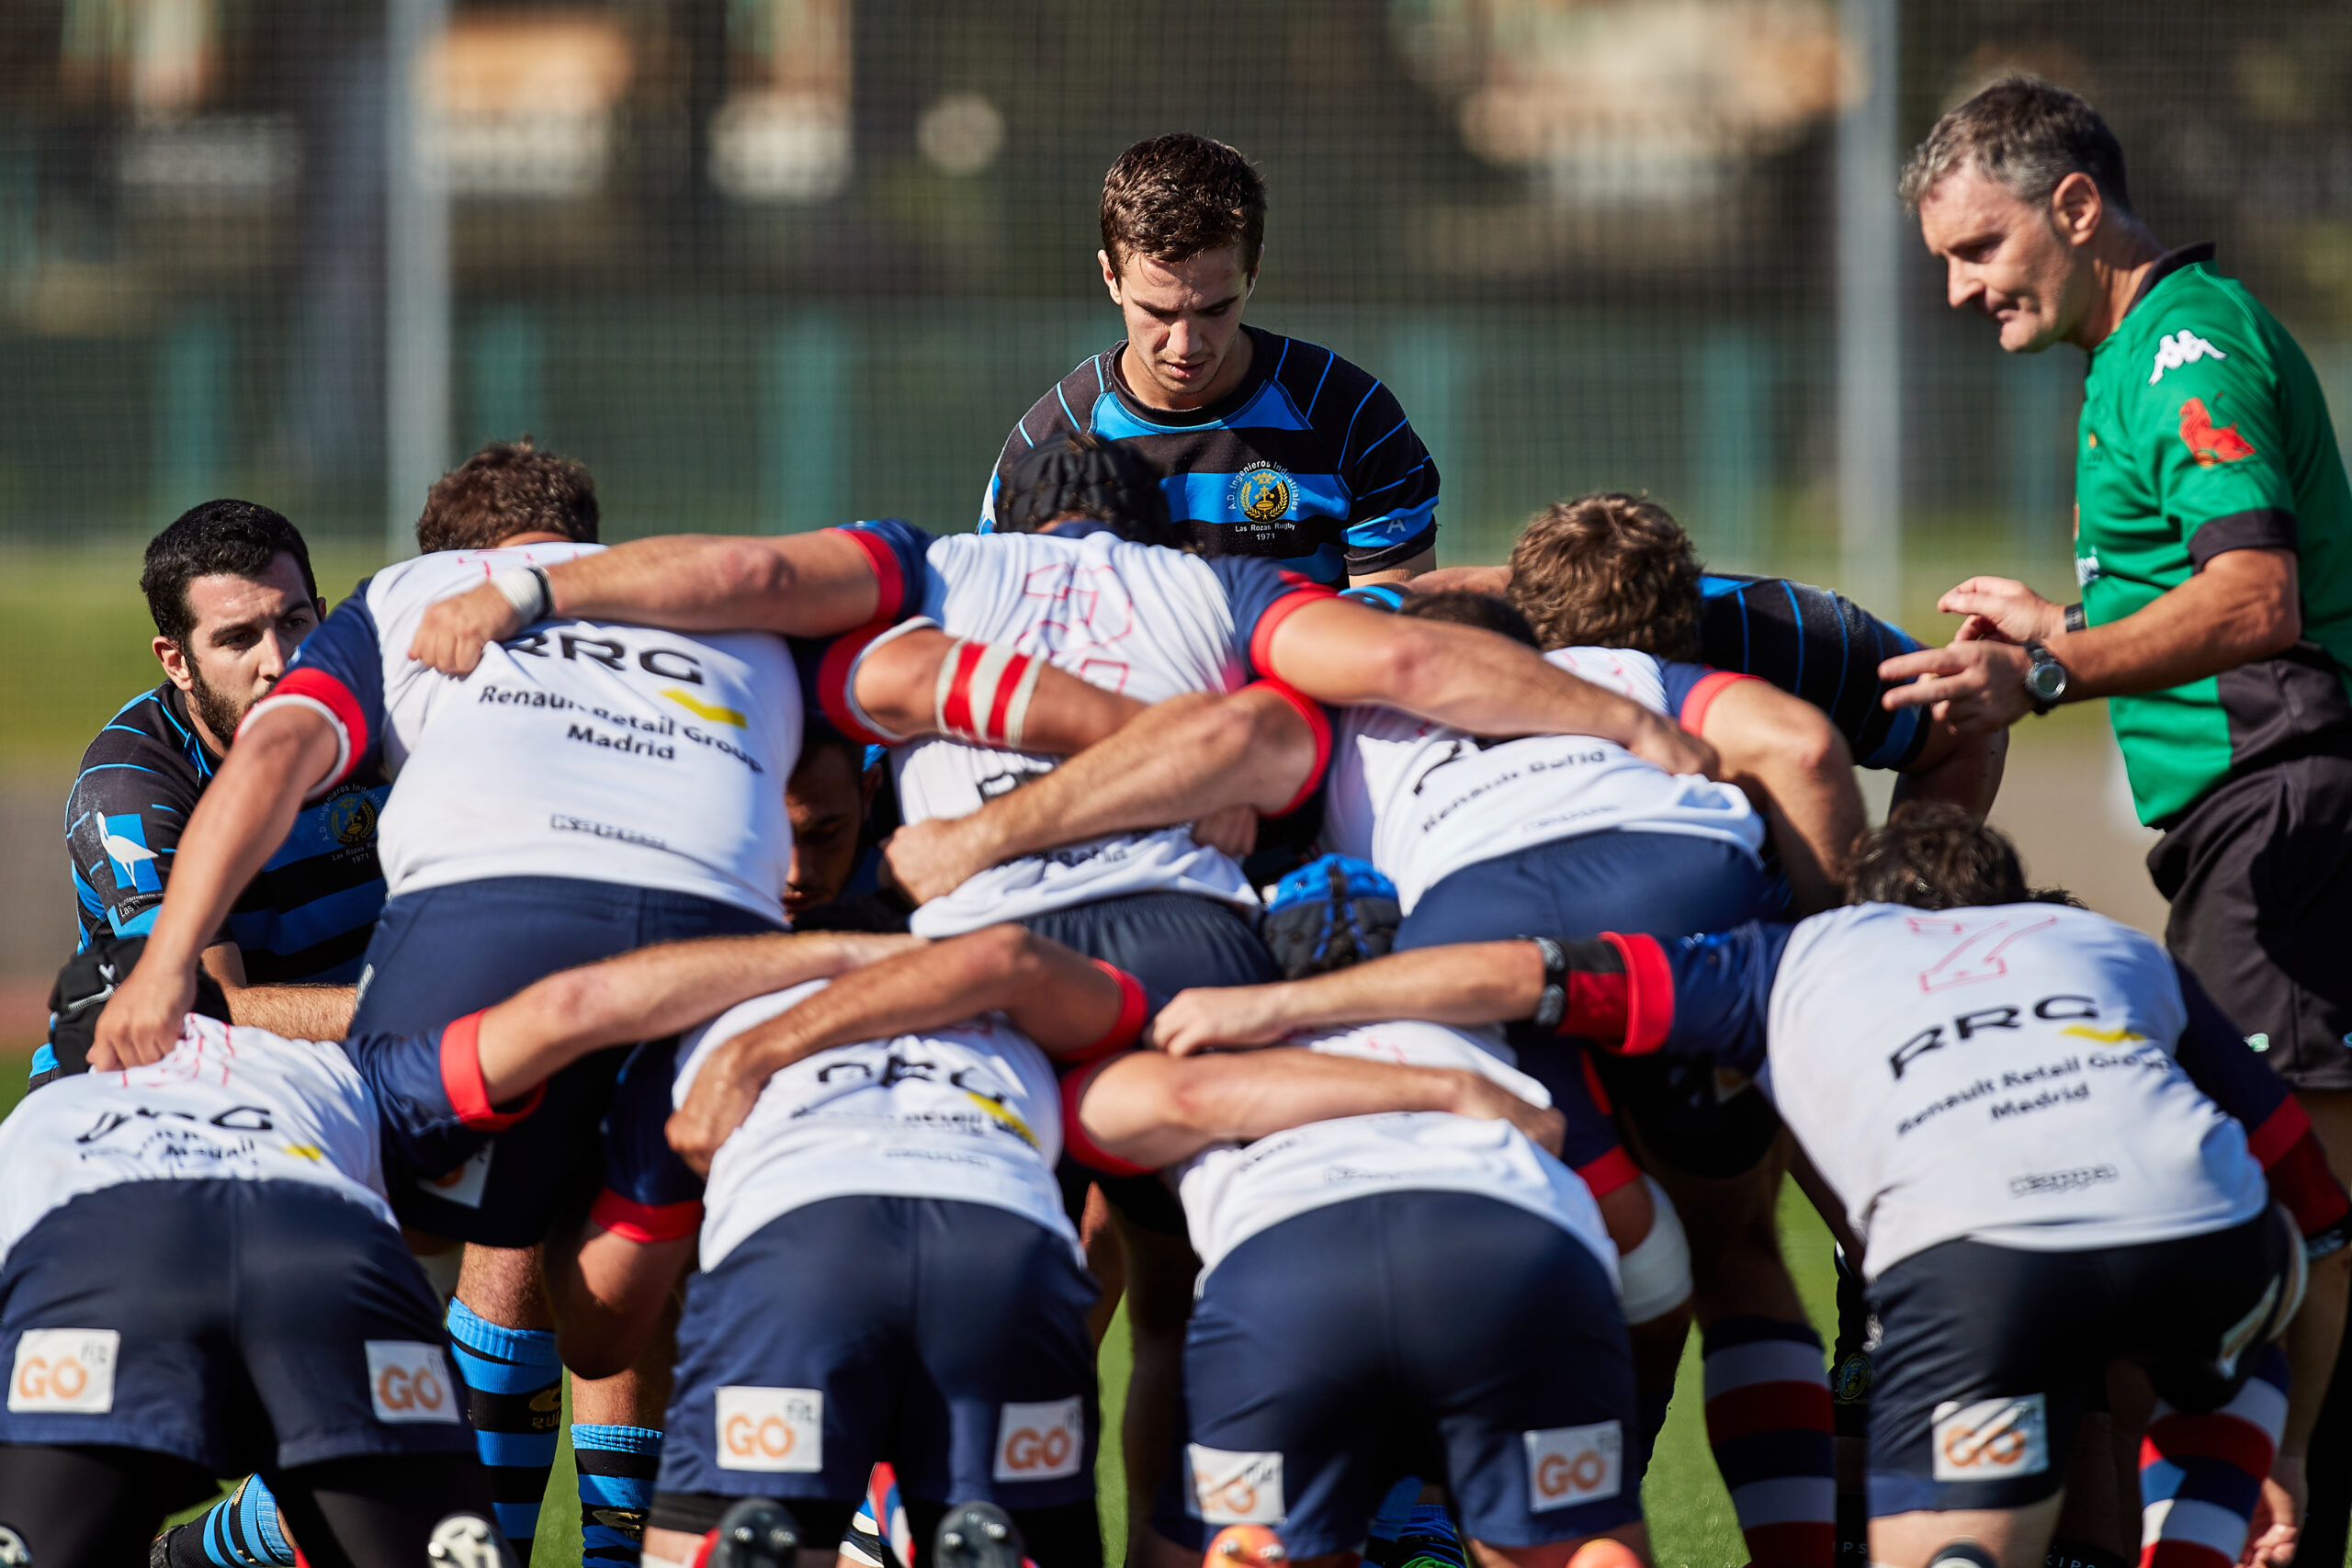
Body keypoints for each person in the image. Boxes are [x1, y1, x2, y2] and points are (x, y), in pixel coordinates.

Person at [107, 446, 1138, 1564]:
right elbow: (900, 670)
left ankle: (350, 1524)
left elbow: (274, 759)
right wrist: (1141, 746)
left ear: (458, 561)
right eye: (239, 637)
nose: (273, 656)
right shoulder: (737, 608)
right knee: (616, 1289)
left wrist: (161, 970)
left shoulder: (409, 604)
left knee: (436, 1243)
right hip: (704, 985)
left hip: (464, 982)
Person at [880, 587, 1856, 1568]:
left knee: (1139, 1304)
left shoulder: (1241, 1004)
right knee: (1732, 1260)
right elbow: (1803, 746)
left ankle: (1411, 1513)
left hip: (1291, 1267)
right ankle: (1626, 1498)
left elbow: (1159, 1103)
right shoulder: (1602, 691)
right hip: (1610, 1016)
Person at [1151, 807, 2352, 1568]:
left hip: (1975, 1262)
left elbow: (1536, 975)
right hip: (2207, 1234)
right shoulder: (2110, 947)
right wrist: (2289, 1454)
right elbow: (2316, 1198)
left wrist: (1278, 1008)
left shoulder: (1794, 955)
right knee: (2239, 1354)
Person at [1883, 76, 2352, 1558]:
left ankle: (2274, 1495)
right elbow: (2196, 596)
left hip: (2284, 811)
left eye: (1977, 248)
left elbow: (2258, 598)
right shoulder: (2130, 357)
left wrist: (2043, 664)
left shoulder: (2183, 351)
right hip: (2246, 818)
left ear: (2074, 206)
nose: (1960, 290)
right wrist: (2073, 621)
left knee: (2303, 1185)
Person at [541, 924, 1561, 1568]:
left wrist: (561, 1209)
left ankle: (794, 1540)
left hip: (800, 1256)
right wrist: (1453, 1093)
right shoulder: (1046, 1017)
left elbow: (599, 1329)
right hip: (1009, 1261)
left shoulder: (702, 1018)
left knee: (718, 1526)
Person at [4, 918, 903, 1565]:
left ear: (78, 1055)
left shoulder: (42, 1115)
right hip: (324, 1256)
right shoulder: (320, 1062)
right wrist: (851, 958)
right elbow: (565, 1011)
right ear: (227, 1025)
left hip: (104, 1254)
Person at [980, 134, 1441, 589]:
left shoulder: (1352, 415)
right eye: (1156, 312)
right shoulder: (1044, 444)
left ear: (1253, 273)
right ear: (1110, 277)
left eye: (1215, 309)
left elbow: (1397, 634)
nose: (1185, 345)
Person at [1400, 492, 2007, 817]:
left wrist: (1906, 910)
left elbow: (1969, 725)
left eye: (1648, 678)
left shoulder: (1802, 639)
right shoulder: (1459, 631)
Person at [59, 500, 389, 1075]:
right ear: (177, 661)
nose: (278, 663)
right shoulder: (129, 787)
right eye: (238, 639)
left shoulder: (390, 722)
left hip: (356, 1066)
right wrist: (425, 1009)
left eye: (293, 624)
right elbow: (208, 1012)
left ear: (325, 619)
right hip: (166, 1093)